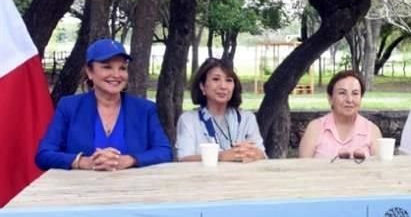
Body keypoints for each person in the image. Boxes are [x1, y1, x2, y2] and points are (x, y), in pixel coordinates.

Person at [35, 38, 172, 170]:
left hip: (133, 190)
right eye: (107, 67)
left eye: (122, 68)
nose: (116, 74)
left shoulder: (145, 109)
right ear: (90, 72)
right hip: (79, 190)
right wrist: (83, 162)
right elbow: (44, 155)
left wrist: (130, 160)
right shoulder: (69, 107)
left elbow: (165, 152)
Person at [175, 58, 266, 163]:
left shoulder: (247, 118)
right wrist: (221, 156)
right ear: (202, 86)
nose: (223, 86)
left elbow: (262, 154)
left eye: (229, 80)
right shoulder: (188, 120)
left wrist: (251, 154)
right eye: (216, 79)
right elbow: (184, 159)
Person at [298, 70, 383, 159]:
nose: (349, 100)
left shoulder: (372, 131)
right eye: (342, 93)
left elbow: (381, 170)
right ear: (330, 98)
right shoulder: (315, 128)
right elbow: (302, 168)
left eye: (355, 93)